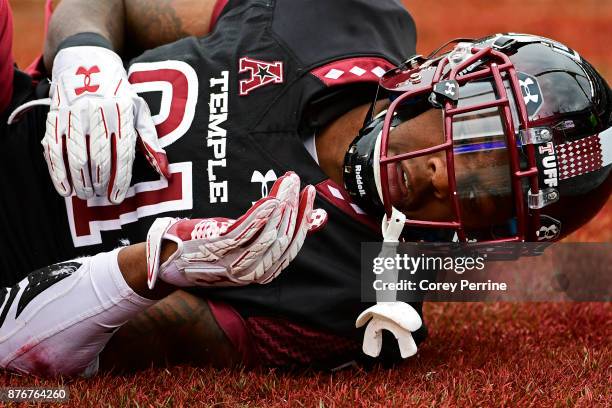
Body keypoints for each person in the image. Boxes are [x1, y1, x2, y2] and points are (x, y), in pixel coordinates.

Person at [1, 0, 610, 376]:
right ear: (448, 77)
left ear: (488, 236)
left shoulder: (347, 303)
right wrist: (86, 63)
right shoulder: (341, 16)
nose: (437, 174)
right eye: (472, 139)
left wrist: (158, 266)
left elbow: (43, 355)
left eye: (481, 193)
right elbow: (114, 3)